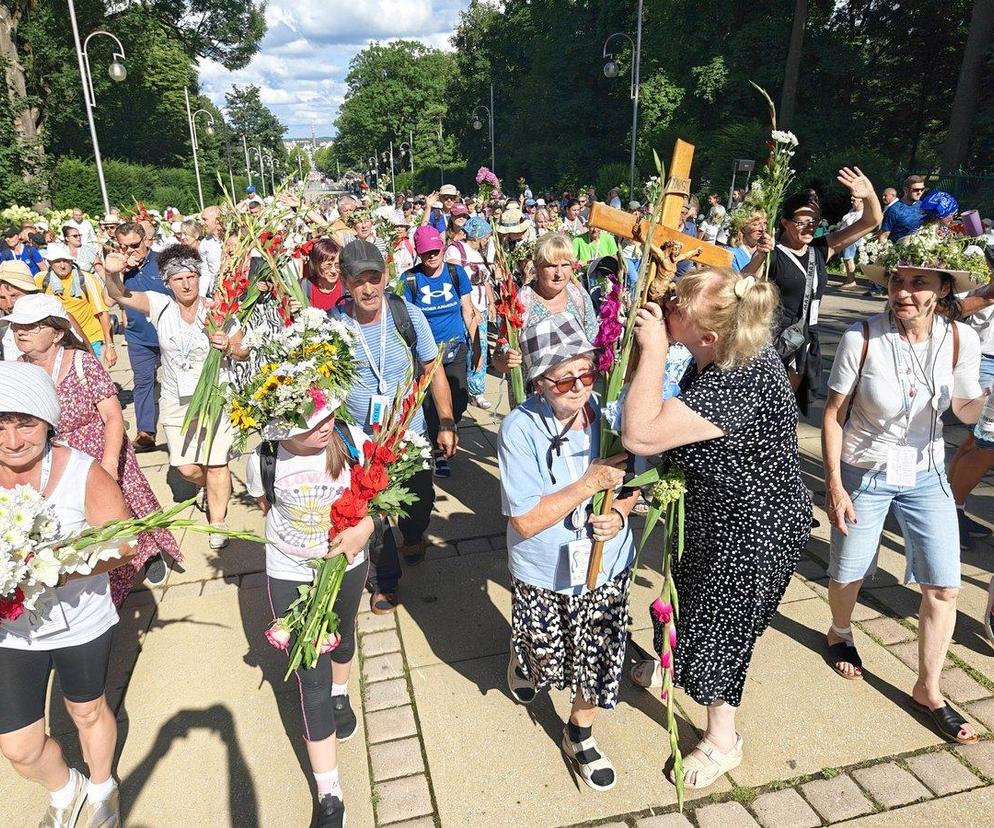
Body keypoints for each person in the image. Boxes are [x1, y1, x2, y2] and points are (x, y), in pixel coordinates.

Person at [623, 268, 810, 789]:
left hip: (751, 534)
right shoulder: (724, 351)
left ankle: (723, 741)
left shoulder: (738, 379)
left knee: (720, 633)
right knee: (685, 599)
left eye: (678, 303)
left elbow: (641, 434)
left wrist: (655, 347)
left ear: (707, 336)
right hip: (718, 517)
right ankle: (668, 668)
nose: (667, 300)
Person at [822, 263, 986, 746]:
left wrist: (986, 400)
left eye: (920, 284)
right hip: (863, 469)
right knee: (849, 571)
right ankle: (839, 631)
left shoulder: (960, 340)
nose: (905, 293)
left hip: (927, 473)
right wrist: (834, 484)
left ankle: (928, 689)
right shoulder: (863, 337)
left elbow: (963, 409)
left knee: (944, 587)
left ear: (942, 291)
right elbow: (832, 415)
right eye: (898, 282)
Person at [498, 316, 638, 792]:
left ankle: (579, 732)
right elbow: (525, 520)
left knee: (599, 655)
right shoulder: (519, 429)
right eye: (565, 380)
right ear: (540, 383)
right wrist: (587, 485)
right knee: (547, 654)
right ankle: (526, 658)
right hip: (543, 568)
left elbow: (633, 478)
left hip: (606, 564)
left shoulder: (608, 412)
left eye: (586, 375)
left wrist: (620, 512)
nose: (579, 388)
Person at [0, 362, 135, 828]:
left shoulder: (84, 473)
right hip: (12, 631)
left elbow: (124, 545)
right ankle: (65, 787)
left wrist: (59, 568)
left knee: (86, 709)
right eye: (0, 426)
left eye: (25, 424)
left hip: (79, 620)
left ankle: (101, 787)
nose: (13, 441)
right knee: (18, 747)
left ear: (48, 422)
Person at [245, 397, 372, 828]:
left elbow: (379, 501)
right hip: (290, 569)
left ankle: (343, 692)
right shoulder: (264, 459)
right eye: (310, 418)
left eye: (328, 412)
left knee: (345, 634)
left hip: (347, 564)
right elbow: (269, 507)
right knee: (309, 673)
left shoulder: (350, 441)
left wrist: (362, 532)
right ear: (280, 426)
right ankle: (329, 791)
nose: (325, 424)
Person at [9, 292, 182, 596]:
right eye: (17, 326)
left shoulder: (82, 363)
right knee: (79, 526)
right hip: (55, 459)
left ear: (57, 332)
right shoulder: (17, 371)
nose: (21, 332)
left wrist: (109, 466)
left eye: (33, 326)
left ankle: (149, 552)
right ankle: (106, 583)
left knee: (127, 512)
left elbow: (113, 417)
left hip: (101, 451)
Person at [331, 239, 457, 612]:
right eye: (359, 281)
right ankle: (385, 582)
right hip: (360, 442)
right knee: (372, 515)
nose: (368, 288)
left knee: (418, 502)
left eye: (375, 277)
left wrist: (446, 422)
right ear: (345, 283)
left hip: (411, 435)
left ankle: (416, 533)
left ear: (386, 276)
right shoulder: (335, 325)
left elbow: (433, 372)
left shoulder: (408, 315)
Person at [104, 243, 247, 548]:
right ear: (167, 283)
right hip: (175, 400)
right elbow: (119, 295)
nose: (186, 283)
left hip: (216, 397)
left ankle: (217, 522)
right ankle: (213, 487)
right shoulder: (160, 305)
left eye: (191, 277)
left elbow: (243, 350)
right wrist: (111, 273)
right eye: (178, 278)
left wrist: (229, 347)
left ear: (199, 278)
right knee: (187, 468)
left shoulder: (217, 309)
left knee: (217, 461)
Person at [744, 167, 883, 413]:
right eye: (802, 222)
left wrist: (869, 194)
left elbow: (871, 222)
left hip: (807, 337)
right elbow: (740, 283)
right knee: (766, 408)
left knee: (789, 408)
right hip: (774, 340)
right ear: (785, 223)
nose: (810, 228)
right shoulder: (773, 254)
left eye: (815, 222)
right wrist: (759, 257)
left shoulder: (820, 249)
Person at [403, 226, 477, 478]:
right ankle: (438, 450)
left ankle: (448, 429)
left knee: (459, 399)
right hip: (426, 356)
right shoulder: (409, 280)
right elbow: (406, 319)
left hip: (455, 348)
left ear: (443, 249)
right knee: (432, 405)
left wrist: (477, 345)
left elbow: (468, 310)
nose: (432, 257)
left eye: (435, 251)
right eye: (426, 253)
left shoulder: (456, 274)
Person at [109, 222, 172, 452]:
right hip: (138, 336)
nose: (129, 250)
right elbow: (109, 301)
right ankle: (146, 432)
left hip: (168, 333)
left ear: (146, 241)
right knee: (143, 383)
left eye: (134, 245)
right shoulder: (119, 266)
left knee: (174, 383)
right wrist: (119, 272)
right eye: (123, 246)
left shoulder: (163, 262)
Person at [37, 243, 116, 367]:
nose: (62, 265)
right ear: (50, 262)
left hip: (89, 337)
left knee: (89, 375)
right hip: (58, 341)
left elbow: (102, 312)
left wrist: (109, 346)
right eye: (58, 261)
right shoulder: (40, 280)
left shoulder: (87, 279)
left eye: (66, 261)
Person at [461, 217, 496, 409]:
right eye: (486, 236)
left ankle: (476, 389)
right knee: (475, 348)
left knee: (480, 347)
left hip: (480, 306)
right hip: (469, 309)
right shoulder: (458, 250)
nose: (488, 239)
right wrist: (472, 308)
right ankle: (473, 389)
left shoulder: (477, 253)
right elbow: (457, 281)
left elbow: (486, 280)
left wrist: (490, 302)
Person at [303, 238, 346, 312]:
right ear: (316, 264)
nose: (333, 271)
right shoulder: (305, 286)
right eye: (328, 265)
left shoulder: (346, 286)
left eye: (337, 265)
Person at [880, 175, 925, 242]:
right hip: (898, 249)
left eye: (922, 189)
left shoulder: (923, 206)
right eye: (916, 190)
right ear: (905, 190)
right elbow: (883, 236)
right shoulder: (894, 210)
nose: (920, 192)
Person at [836, 196, 865, 290]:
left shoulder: (862, 213)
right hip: (844, 238)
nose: (852, 202)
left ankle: (852, 281)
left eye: (854, 200)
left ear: (861, 201)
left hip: (852, 238)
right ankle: (849, 279)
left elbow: (856, 227)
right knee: (845, 259)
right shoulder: (851, 211)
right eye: (851, 200)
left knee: (849, 258)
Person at [728, 206, 768, 272]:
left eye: (765, 223)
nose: (762, 229)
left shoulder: (768, 251)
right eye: (756, 224)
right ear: (743, 228)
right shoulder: (732, 254)